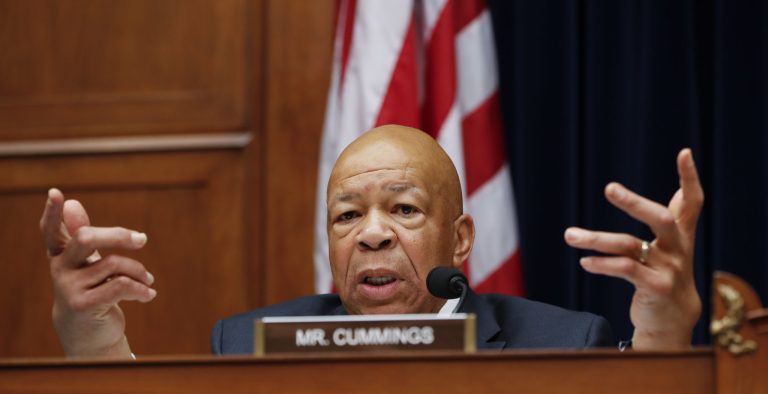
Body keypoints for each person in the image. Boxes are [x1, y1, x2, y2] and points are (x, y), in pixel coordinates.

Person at [40, 125, 703, 357]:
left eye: (405, 209)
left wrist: (664, 336)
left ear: (461, 239)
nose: (373, 234)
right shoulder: (249, 346)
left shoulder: (561, 345)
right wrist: (94, 337)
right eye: (346, 215)